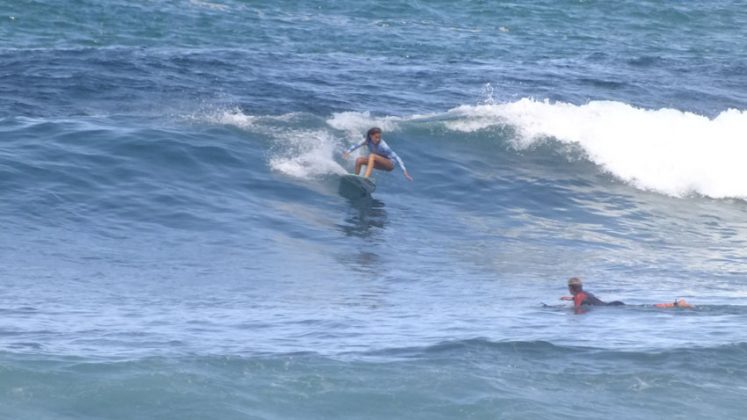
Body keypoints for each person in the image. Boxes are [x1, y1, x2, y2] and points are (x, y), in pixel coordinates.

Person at [343, 127, 413, 181]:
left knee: (372, 155)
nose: (378, 139)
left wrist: (404, 171)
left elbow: (396, 157)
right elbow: (356, 145)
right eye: (376, 137)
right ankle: (356, 178)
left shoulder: (383, 145)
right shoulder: (367, 141)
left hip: (390, 164)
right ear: (371, 136)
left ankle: (366, 178)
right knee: (359, 160)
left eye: (379, 137)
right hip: (379, 163)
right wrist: (348, 152)